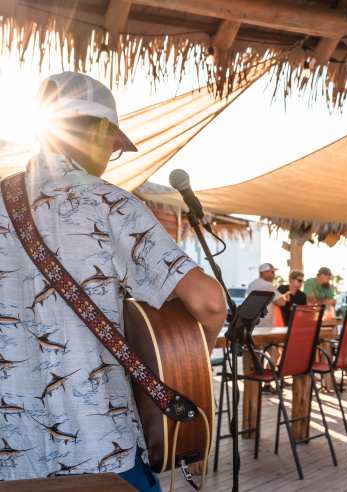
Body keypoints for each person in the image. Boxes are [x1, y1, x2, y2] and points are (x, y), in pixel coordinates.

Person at [0, 72, 227, 488]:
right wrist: (188, 367)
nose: (110, 156)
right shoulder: (109, 202)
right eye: (115, 146)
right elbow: (209, 303)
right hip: (100, 448)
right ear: (103, 129)